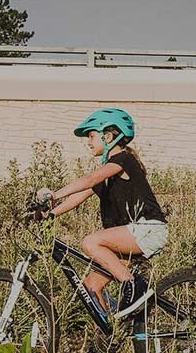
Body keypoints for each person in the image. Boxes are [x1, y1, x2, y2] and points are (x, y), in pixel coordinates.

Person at [39, 108, 170, 327]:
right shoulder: (109, 172)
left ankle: (132, 285)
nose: (88, 142)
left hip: (148, 229)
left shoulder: (123, 160)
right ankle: (110, 342)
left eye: (91, 135)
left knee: (91, 241)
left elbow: (90, 179)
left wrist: (53, 195)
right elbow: (80, 196)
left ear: (108, 137)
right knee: (90, 286)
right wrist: (48, 214)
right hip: (129, 236)